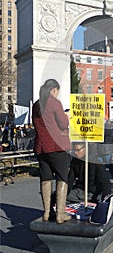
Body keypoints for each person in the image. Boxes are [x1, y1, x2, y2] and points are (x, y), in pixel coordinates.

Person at [32, 79, 71, 224]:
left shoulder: (37, 105)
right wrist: (67, 118)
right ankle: (60, 214)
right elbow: (63, 123)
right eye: (57, 91)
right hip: (57, 146)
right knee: (62, 178)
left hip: (41, 147)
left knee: (46, 178)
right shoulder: (54, 103)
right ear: (54, 89)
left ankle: (47, 212)